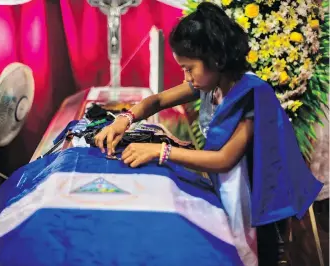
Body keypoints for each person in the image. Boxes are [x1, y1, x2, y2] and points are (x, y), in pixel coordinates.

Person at [94, 2, 323, 266]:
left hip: (253, 209)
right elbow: (156, 101)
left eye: (189, 68)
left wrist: (161, 151)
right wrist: (125, 118)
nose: (186, 76)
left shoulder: (251, 94)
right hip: (226, 191)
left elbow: (225, 158)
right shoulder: (210, 83)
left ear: (217, 59)